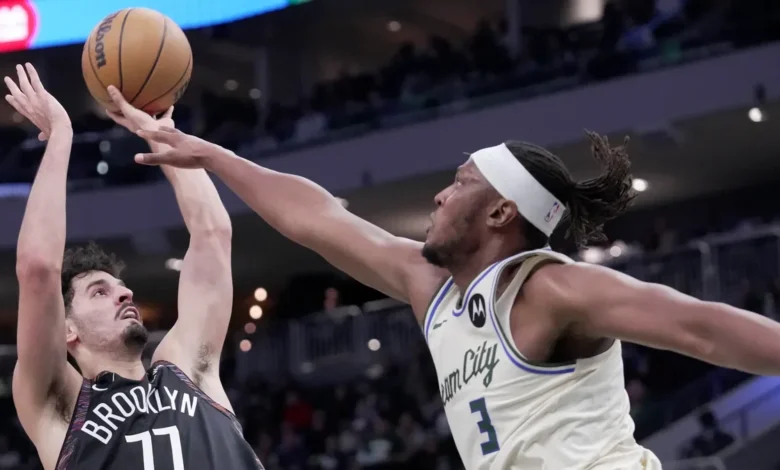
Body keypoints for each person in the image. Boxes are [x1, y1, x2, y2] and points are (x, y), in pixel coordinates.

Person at [131, 113, 780, 469]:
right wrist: (214, 157)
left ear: (501, 212)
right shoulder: (430, 285)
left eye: (462, 182)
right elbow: (318, 219)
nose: (441, 196)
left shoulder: (550, 289)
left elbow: (702, 327)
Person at [5, 64, 263, 470]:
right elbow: (38, 268)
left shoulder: (188, 371)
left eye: (120, 286)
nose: (125, 293)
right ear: (67, 329)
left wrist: (158, 133)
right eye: (99, 292)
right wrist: (61, 136)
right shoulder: (62, 405)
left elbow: (212, 233)